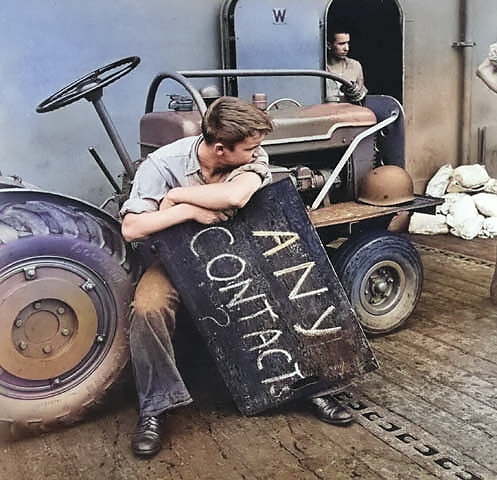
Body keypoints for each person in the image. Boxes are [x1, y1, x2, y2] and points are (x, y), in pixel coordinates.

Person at [120, 96, 353, 458]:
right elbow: (132, 228)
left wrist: (179, 198)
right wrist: (190, 214)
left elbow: (237, 195)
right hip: (178, 259)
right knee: (147, 308)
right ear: (219, 149)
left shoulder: (252, 155)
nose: (258, 153)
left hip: (245, 252)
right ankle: (155, 407)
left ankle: (314, 388)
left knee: (292, 282)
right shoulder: (161, 164)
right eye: (250, 148)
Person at [325, 29, 367, 104]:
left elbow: (361, 95)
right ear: (329, 45)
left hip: (350, 113)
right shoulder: (320, 68)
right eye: (341, 44)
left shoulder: (355, 66)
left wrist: (356, 92)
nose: (346, 48)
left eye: (347, 43)